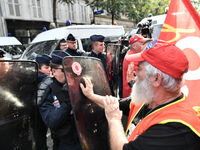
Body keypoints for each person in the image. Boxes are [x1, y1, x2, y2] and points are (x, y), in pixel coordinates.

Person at [80, 40, 200, 150]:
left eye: (140, 68)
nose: (135, 72)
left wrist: (114, 120)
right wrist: (91, 95)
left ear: (157, 79)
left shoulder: (175, 128)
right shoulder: (150, 98)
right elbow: (115, 104)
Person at [39, 50, 81, 150]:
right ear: (54, 71)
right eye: (65, 70)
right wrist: (67, 103)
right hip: (66, 142)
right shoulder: (47, 91)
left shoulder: (77, 84)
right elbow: (51, 120)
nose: (69, 73)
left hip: (84, 136)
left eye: (70, 69)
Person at [122, 34, 146, 98]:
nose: (143, 46)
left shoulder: (132, 54)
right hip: (131, 94)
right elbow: (142, 75)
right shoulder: (131, 59)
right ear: (134, 46)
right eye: (142, 43)